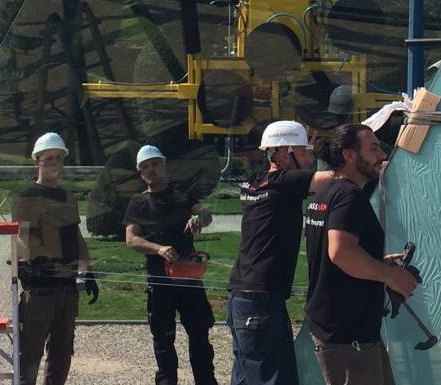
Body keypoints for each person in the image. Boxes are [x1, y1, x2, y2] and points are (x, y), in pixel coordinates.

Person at [304, 124, 419, 385]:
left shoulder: (325, 194)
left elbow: (336, 252)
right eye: (374, 148)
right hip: (348, 335)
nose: (382, 156)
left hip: (345, 331)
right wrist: (390, 276)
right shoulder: (349, 196)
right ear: (350, 155)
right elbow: (340, 252)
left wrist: (376, 262)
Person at [226, 120, 335, 385]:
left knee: (247, 377)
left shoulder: (255, 183)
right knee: (273, 378)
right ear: (285, 154)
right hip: (260, 300)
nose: (309, 159)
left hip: (244, 296)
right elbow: (336, 178)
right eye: (304, 153)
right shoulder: (284, 183)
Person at [124, 145, 217, 385]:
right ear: (141, 173)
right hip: (159, 277)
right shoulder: (138, 203)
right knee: (163, 339)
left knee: (199, 335)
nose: (152, 170)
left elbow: (205, 213)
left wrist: (199, 218)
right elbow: (131, 239)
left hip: (188, 275)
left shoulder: (182, 195)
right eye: (146, 167)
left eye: (155, 164)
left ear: (163, 165)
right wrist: (158, 249)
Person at [11, 132, 98, 385]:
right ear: (37, 161)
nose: (54, 163)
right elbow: (22, 236)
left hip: (67, 287)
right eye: (48, 158)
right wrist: (26, 265)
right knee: (30, 354)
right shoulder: (26, 196)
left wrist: (88, 270)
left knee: (62, 354)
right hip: (40, 289)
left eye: (59, 158)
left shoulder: (67, 197)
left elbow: (76, 235)